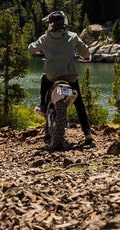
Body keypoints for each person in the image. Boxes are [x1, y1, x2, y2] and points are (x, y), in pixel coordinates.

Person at [28, 11, 94, 144]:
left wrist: (40, 49)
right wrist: (86, 57)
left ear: (51, 25)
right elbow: (85, 52)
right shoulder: (73, 36)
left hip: (52, 77)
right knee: (79, 103)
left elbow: (31, 49)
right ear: (64, 23)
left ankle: (43, 105)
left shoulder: (44, 38)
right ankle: (87, 132)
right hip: (70, 77)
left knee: (44, 79)